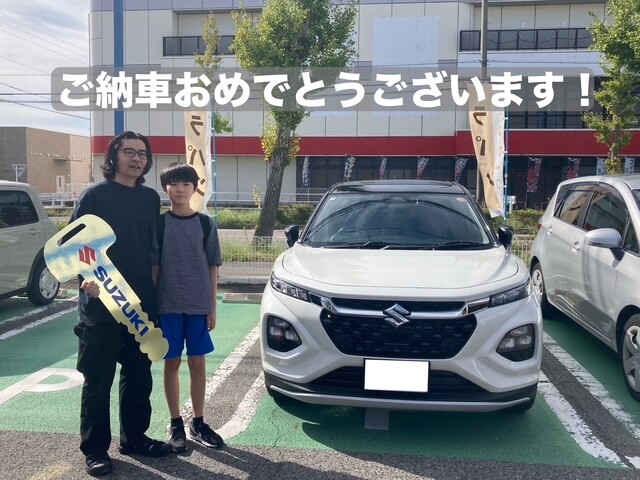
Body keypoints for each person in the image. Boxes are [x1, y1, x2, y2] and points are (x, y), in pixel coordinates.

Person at [70, 131, 170, 477]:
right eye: (129, 152)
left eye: (142, 153)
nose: (136, 158)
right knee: (98, 380)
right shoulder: (94, 196)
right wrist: (85, 279)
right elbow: (75, 244)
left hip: (140, 304)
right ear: (113, 156)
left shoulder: (149, 198)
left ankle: (134, 439)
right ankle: (95, 449)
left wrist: (154, 289)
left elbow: (152, 246)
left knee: (138, 376)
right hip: (101, 305)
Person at [155, 162, 224, 452]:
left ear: (195, 188)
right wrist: (152, 307)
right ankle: (175, 423)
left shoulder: (206, 224)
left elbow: (212, 267)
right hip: (167, 306)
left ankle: (198, 421)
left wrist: (212, 307)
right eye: (174, 183)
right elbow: (154, 267)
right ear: (165, 188)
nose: (180, 189)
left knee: (197, 363)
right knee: (171, 363)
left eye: (186, 184)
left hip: (197, 306)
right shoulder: (159, 224)